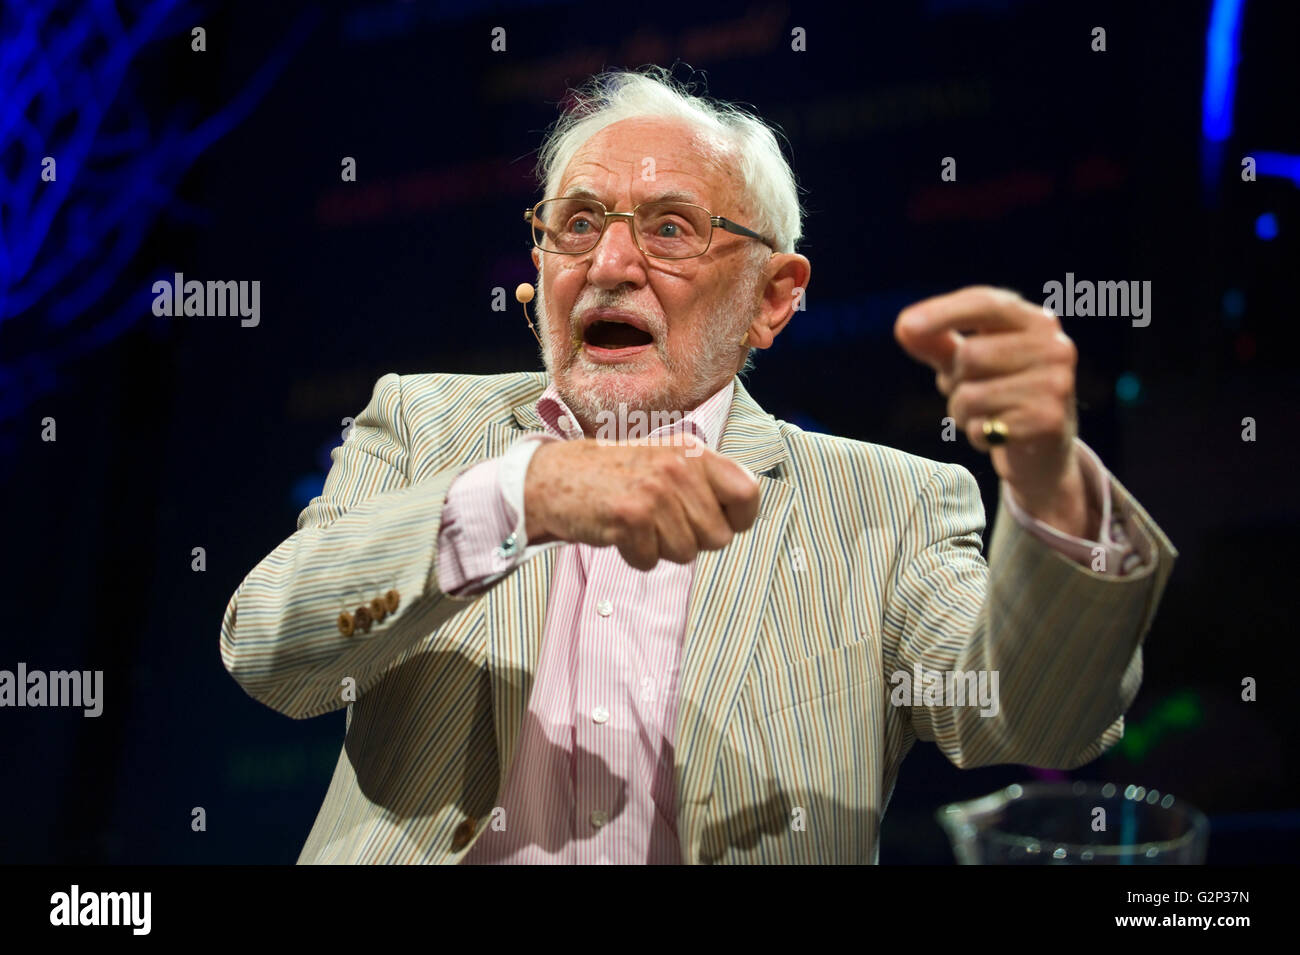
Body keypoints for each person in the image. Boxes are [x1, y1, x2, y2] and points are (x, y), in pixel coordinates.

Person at [220, 67, 1175, 864]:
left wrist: (1048, 480)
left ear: (773, 297)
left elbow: (1038, 716)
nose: (610, 263)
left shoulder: (888, 506)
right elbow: (271, 652)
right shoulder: (424, 423)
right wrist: (519, 493)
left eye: (670, 228)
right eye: (578, 223)